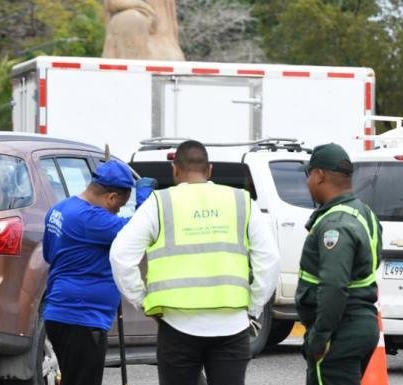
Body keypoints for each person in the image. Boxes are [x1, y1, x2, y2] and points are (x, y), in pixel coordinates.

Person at [109, 140, 280, 385]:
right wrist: (252, 307)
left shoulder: (159, 203)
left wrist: (143, 301)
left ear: (175, 170)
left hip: (177, 325)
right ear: (209, 170)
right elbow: (270, 259)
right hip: (231, 326)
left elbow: (120, 255)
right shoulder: (241, 202)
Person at [42, 159, 156, 385]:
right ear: (111, 197)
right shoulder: (90, 218)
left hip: (60, 313)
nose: (117, 211)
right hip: (83, 319)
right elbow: (137, 231)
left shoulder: (60, 209)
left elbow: (48, 254)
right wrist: (144, 201)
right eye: (119, 205)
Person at [296, 143, 381, 385]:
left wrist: (320, 337)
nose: (307, 182)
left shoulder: (335, 224)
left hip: (340, 330)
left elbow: (334, 285)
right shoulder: (363, 213)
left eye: (309, 174)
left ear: (320, 175)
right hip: (360, 323)